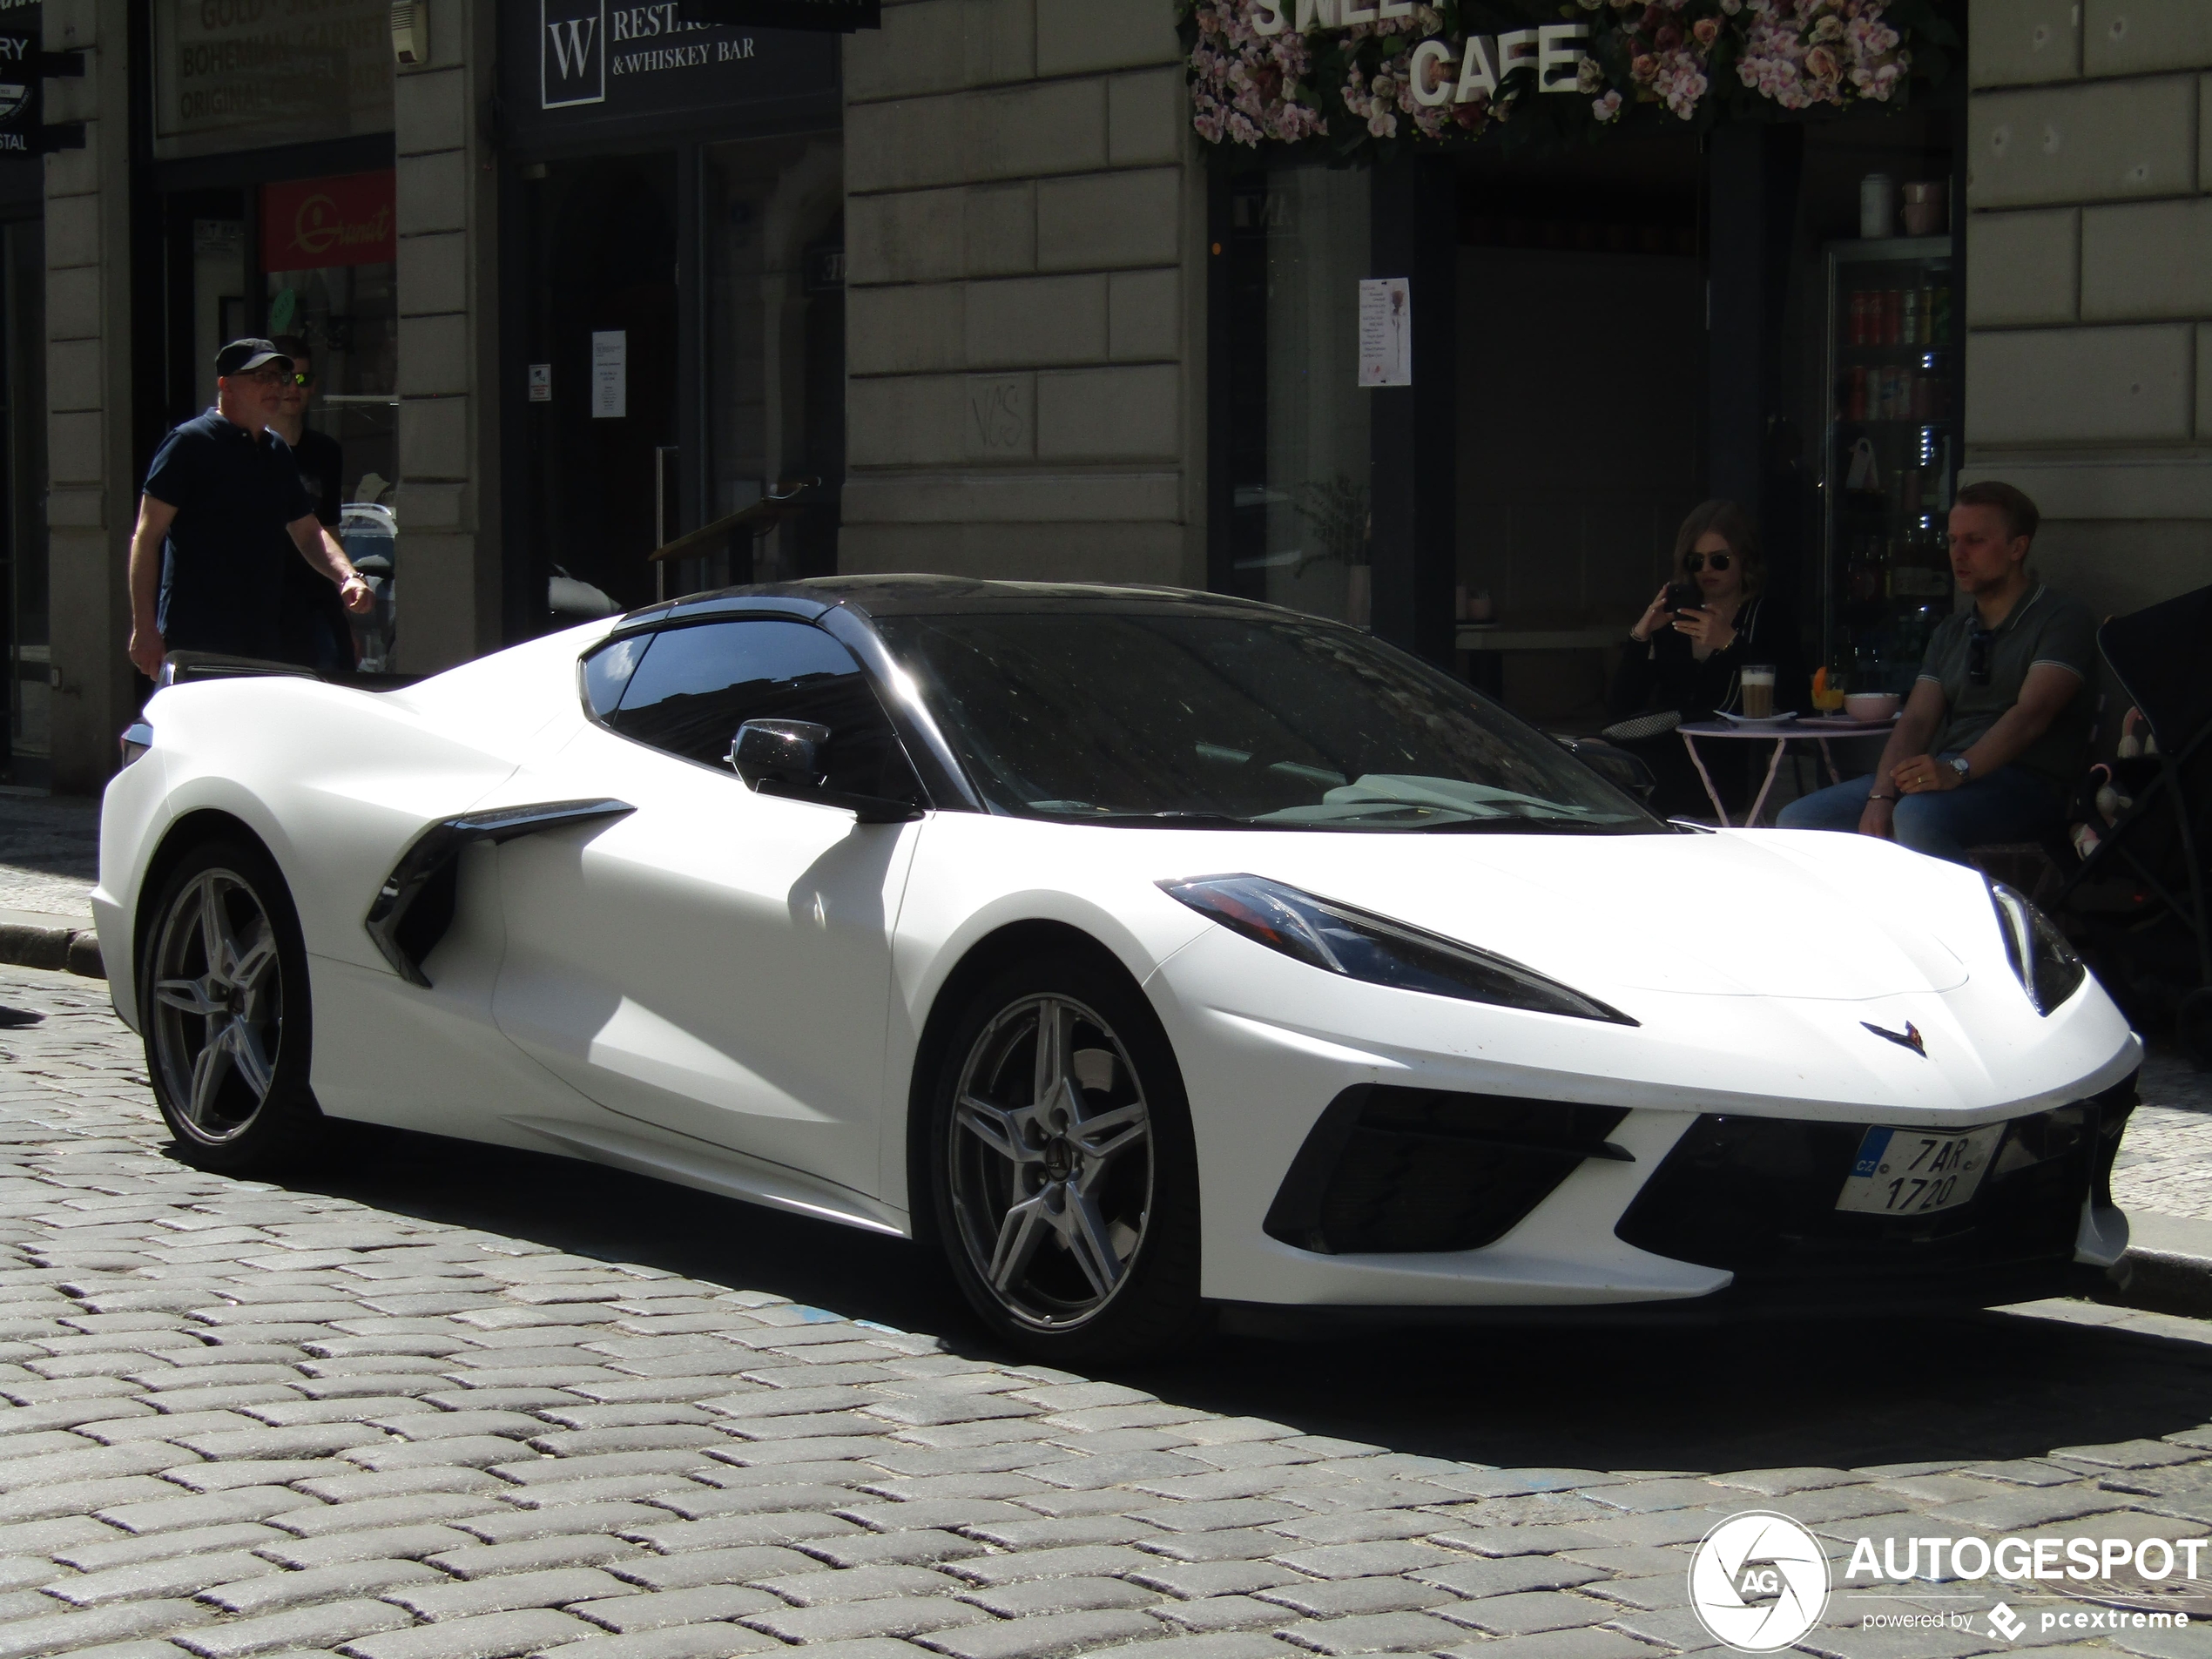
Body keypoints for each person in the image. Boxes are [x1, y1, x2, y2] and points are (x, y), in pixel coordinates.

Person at [1777, 481, 2095, 865]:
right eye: (1952, 540)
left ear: (2017, 547)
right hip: (1947, 774)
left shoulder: (2061, 617)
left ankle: (1963, 923)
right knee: (1799, 819)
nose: (1958, 554)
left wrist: (1956, 770)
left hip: (2028, 783)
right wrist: (1881, 794)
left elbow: (2031, 716)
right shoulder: (1952, 630)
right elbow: (1916, 720)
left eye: (1975, 541)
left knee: (1916, 814)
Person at [127, 339, 375, 678]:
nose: (275, 385)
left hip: (264, 641)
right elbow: (147, 536)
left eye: (279, 376)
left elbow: (308, 532)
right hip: (197, 640)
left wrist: (348, 576)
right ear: (226, 386)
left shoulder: (276, 450)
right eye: (261, 377)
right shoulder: (188, 444)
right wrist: (144, 628)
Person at [1608, 499, 1804, 818]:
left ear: (1744, 559)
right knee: (1588, 756)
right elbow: (1621, 708)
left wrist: (1730, 644)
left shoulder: (1766, 616)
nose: (1706, 571)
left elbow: (1796, 697)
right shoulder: (1678, 619)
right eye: (1696, 561)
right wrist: (1641, 634)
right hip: (1664, 751)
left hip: (1725, 764)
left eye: (1720, 561)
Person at [267, 334, 356, 672]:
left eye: (301, 379)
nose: (293, 388)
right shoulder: (251, 449)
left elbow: (329, 528)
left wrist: (344, 605)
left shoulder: (326, 452)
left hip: (316, 598)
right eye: (285, 379)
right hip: (267, 601)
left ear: (313, 386)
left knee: (336, 680)